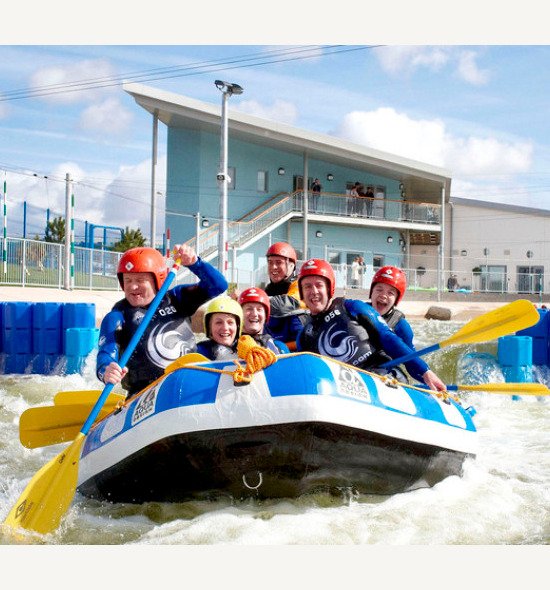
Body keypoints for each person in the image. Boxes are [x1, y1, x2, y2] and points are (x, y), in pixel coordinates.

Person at [96, 244, 228, 397]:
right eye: (128, 280)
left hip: (190, 383)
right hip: (145, 395)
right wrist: (106, 371)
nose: (132, 286)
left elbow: (219, 285)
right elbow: (105, 354)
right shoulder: (117, 317)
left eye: (140, 279)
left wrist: (195, 263)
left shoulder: (178, 299)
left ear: (156, 280)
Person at [295, 258, 446, 391]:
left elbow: (388, 338)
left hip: (383, 376)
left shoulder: (353, 307)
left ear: (329, 288)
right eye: (307, 286)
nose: (314, 291)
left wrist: (426, 373)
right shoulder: (304, 337)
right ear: (301, 292)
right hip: (346, 387)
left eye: (319, 285)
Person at [263, 241, 309, 349]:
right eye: (270, 262)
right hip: (277, 347)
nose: (273, 267)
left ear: (291, 265)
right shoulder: (269, 289)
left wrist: (254, 302)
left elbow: (287, 304)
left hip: (299, 345)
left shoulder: (299, 285)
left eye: (279, 262)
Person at [238, 287, 289, 354]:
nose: (254, 314)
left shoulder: (279, 347)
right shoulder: (229, 347)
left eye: (259, 309)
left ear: (265, 315)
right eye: (249, 309)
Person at [196, 296, 242, 360]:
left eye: (230, 322)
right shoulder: (199, 351)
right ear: (209, 327)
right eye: (218, 322)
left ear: (238, 326)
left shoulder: (249, 349)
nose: (225, 328)